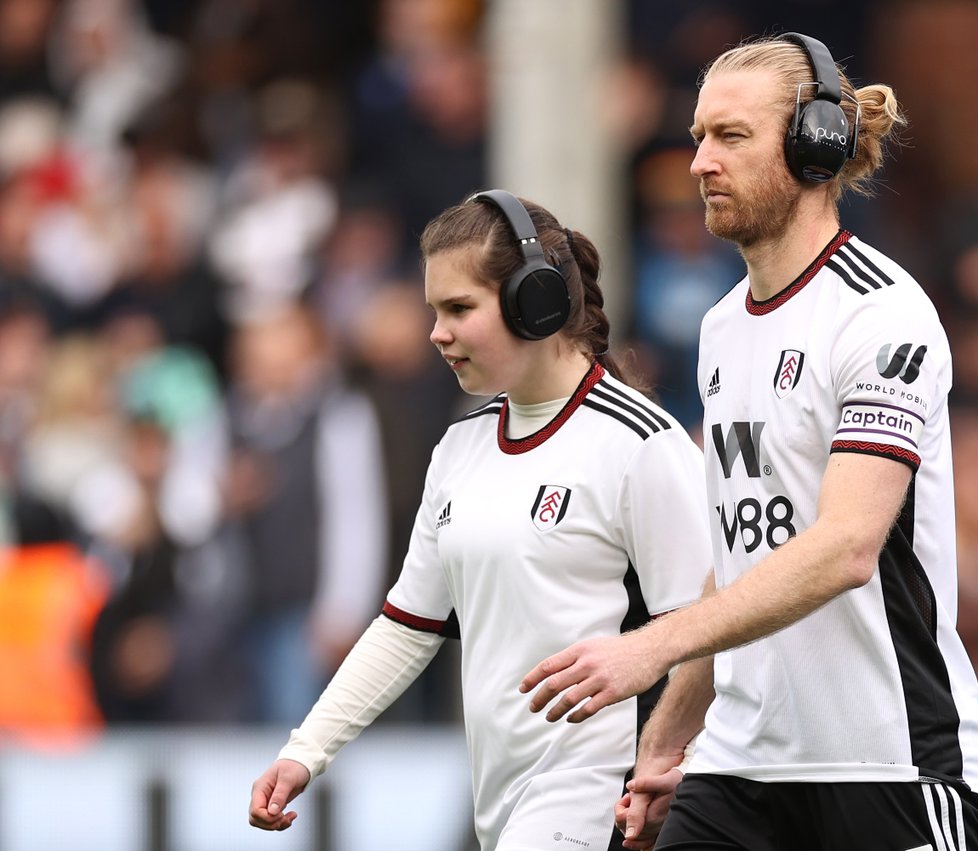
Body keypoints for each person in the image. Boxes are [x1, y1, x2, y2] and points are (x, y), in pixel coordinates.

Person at [520, 33, 978, 851]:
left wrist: (648, 648)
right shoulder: (721, 327)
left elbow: (845, 545)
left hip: (886, 766)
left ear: (816, 147)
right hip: (737, 768)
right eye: (699, 135)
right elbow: (737, 554)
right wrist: (669, 736)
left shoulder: (881, 314)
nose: (699, 161)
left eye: (730, 137)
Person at [248, 190, 711, 851]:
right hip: (501, 804)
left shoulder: (639, 443)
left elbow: (709, 632)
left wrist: (679, 765)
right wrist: (306, 751)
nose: (436, 331)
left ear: (536, 301)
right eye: (434, 311)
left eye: (459, 308)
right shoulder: (461, 446)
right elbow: (408, 626)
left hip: (605, 802)